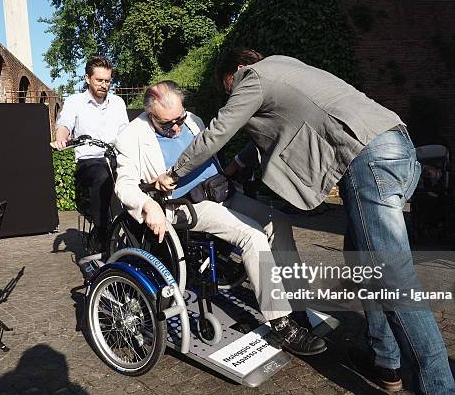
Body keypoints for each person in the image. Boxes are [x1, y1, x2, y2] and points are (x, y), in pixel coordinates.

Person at [155, 50, 455, 395]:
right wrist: (235, 168)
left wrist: (174, 174)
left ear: (233, 73)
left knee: (394, 282)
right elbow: (264, 139)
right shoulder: (287, 69)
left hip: (368, 160)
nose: (231, 95)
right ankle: (383, 358)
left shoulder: (251, 77)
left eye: (227, 88)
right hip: (393, 147)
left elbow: (219, 131)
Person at [114, 80, 326, 356]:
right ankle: (280, 324)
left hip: (219, 191)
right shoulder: (131, 136)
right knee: (252, 237)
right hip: (185, 204)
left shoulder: (193, 121)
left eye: (180, 118)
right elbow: (124, 185)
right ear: (150, 114)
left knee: (280, 223)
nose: (177, 127)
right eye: (168, 124)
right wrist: (147, 204)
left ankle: (296, 303)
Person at [52, 56, 129, 246]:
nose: (104, 85)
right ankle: (102, 231)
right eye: (99, 80)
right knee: (102, 176)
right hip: (90, 161)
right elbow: (64, 124)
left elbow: (126, 133)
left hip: (116, 158)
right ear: (87, 78)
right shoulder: (75, 102)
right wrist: (61, 138)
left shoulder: (118, 103)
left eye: (108, 81)